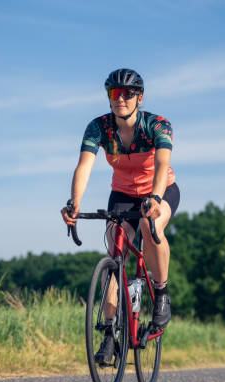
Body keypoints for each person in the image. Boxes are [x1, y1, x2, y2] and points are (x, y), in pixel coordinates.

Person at [61, 68, 180, 365]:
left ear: (139, 98)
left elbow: (163, 161)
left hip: (160, 188)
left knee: (149, 225)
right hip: (123, 194)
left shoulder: (156, 125)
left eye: (127, 94)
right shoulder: (98, 128)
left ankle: (162, 291)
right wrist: (74, 203)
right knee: (116, 252)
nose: (121, 99)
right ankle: (111, 333)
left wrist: (154, 198)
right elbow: (84, 166)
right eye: (115, 93)